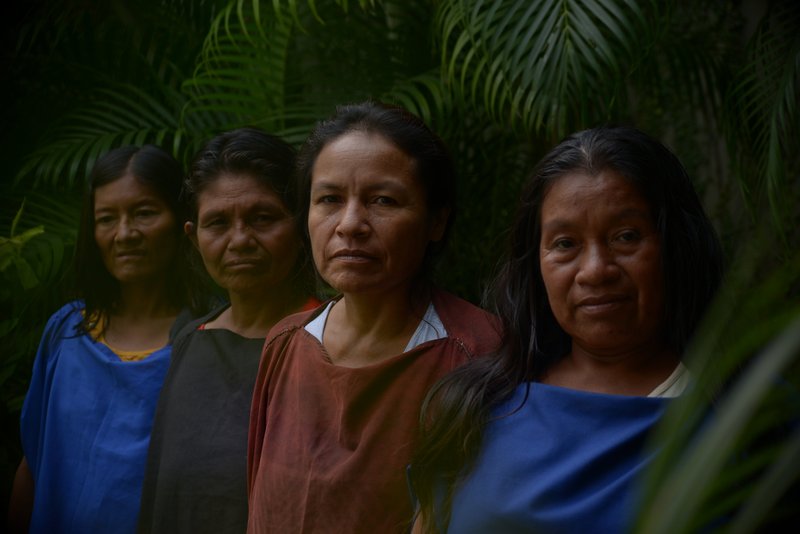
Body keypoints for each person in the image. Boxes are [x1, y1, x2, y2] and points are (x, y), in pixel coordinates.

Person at [410, 126, 724, 533]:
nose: (595, 270)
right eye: (565, 244)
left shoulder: (740, 414)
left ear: (676, 245)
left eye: (626, 237)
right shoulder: (473, 407)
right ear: (535, 264)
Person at [246, 101, 501, 533]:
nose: (350, 224)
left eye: (382, 200)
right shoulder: (286, 343)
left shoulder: (477, 353)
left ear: (436, 220)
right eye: (328, 199)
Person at [8, 145, 200, 533]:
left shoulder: (207, 338)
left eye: (144, 213)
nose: (124, 234)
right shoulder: (65, 331)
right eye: (107, 218)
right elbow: (33, 460)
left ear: (181, 221)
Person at [138, 127, 320, 533]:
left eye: (263, 218)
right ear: (194, 237)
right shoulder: (189, 340)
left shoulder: (332, 340)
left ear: (302, 223)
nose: (240, 240)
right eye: (217, 223)